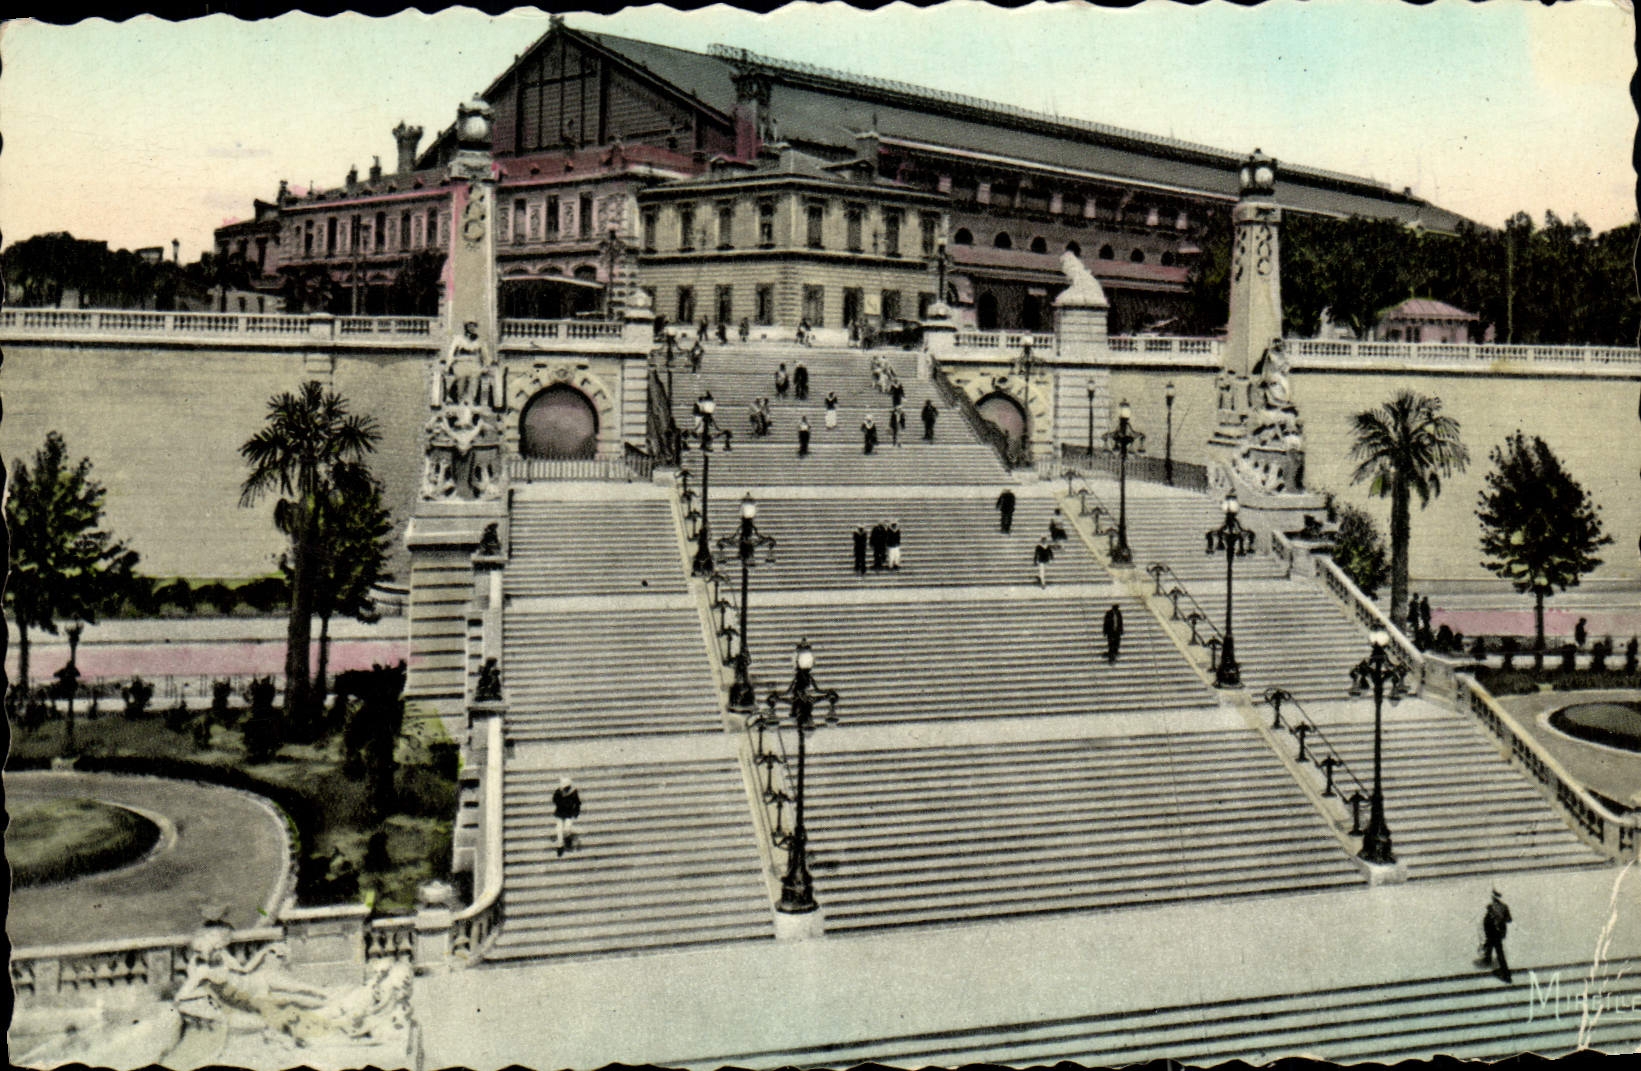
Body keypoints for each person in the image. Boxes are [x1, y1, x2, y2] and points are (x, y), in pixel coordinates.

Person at [1475, 889, 1513, 983]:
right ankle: (1488, 959)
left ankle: (1506, 975)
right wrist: (1502, 919)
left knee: (1498, 952)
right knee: (1494, 947)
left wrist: (1497, 920)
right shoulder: (1504, 907)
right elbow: (1509, 920)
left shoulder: (1490, 907)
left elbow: (1486, 921)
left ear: (1493, 898)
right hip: (1499, 933)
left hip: (1493, 933)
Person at [553, 776, 582, 856]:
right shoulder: (558, 792)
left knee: (567, 828)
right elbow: (554, 800)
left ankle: (567, 838)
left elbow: (577, 803)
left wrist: (576, 812)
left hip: (569, 813)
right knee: (559, 829)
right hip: (560, 813)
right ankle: (560, 846)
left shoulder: (573, 792)